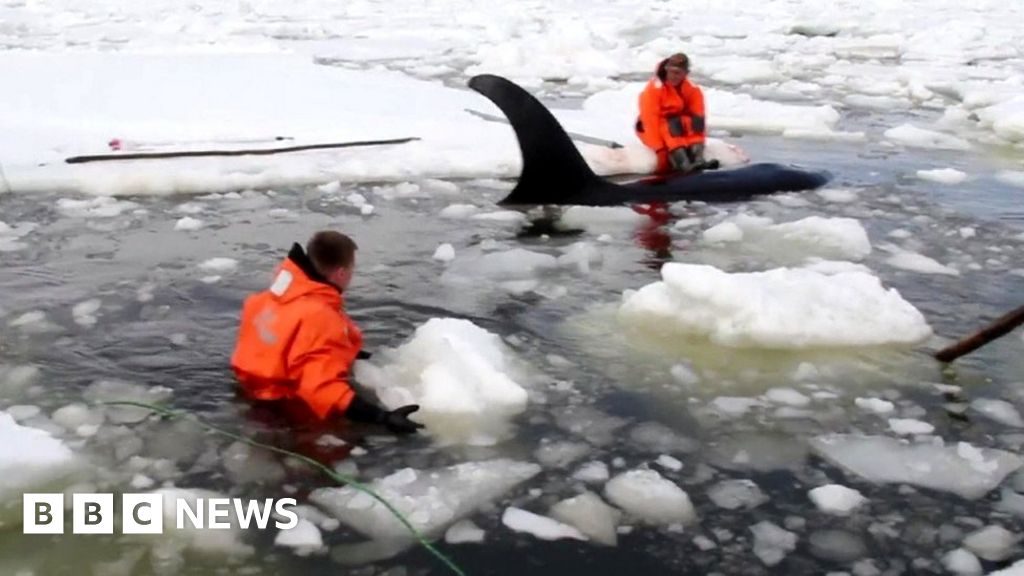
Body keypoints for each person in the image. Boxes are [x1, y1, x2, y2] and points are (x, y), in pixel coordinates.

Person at [230, 230, 424, 435]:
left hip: (245, 390)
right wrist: (382, 417)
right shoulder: (321, 317)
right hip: (281, 411)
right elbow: (320, 389)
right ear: (341, 273)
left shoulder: (266, 299)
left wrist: (343, 351)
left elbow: (287, 340)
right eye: (351, 270)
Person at [634, 52, 718, 174]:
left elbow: (698, 117)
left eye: (678, 73)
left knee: (692, 121)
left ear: (686, 73)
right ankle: (683, 164)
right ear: (666, 70)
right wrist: (659, 149)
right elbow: (649, 121)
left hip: (676, 125)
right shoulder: (654, 89)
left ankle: (698, 158)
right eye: (671, 72)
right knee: (670, 125)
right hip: (650, 129)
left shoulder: (692, 89)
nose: (674, 76)